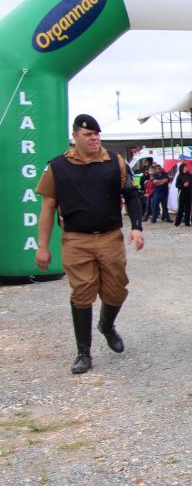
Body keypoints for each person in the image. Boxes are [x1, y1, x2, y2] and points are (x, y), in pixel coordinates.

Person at [34, 114, 145, 374]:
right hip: (76, 239)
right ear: (75, 136)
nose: (94, 138)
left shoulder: (115, 162)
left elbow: (131, 194)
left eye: (97, 134)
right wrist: (42, 245)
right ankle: (83, 352)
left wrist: (137, 228)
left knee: (116, 289)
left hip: (110, 237)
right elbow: (47, 207)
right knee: (83, 291)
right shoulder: (57, 166)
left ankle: (106, 325)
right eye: (88, 135)